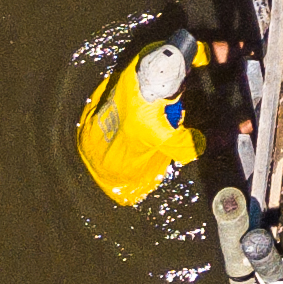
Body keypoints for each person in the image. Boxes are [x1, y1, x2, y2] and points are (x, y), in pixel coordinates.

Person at [75, 27, 237, 205]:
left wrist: (243, 48)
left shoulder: (149, 58)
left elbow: (202, 52)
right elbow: (202, 145)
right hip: (116, 177)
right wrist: (247, 126)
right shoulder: (160, 129)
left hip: (91, 138)